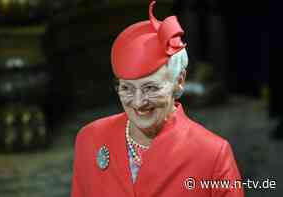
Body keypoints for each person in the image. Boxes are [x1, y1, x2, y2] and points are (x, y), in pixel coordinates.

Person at [71, 1, 244, 196]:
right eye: (127, 88)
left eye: (150, 88)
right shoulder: (90, 139)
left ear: (179, 81)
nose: (138, 102)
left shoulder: (213, 155)